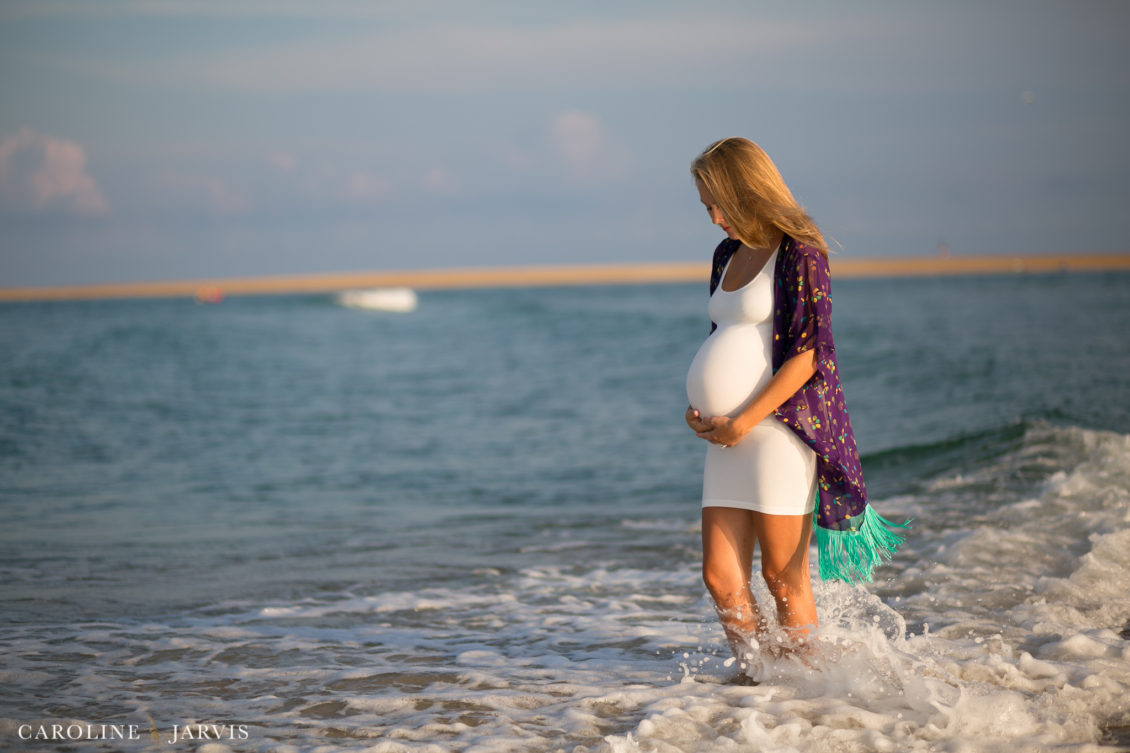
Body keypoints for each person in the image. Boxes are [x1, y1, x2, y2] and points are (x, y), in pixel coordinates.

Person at [683, 137, 907, 671]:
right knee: (720, 575)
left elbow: (808, 355)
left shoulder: (801, 251)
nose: (714, 219)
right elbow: (726, 337)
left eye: (717, 204)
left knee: (782, 577)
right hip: (728, 435)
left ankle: (810, 692)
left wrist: (743, 418)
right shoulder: (726, 255)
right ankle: (763, 680)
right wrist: (707, 410)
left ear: (744, 191)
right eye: (706, 207)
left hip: (781, 431)